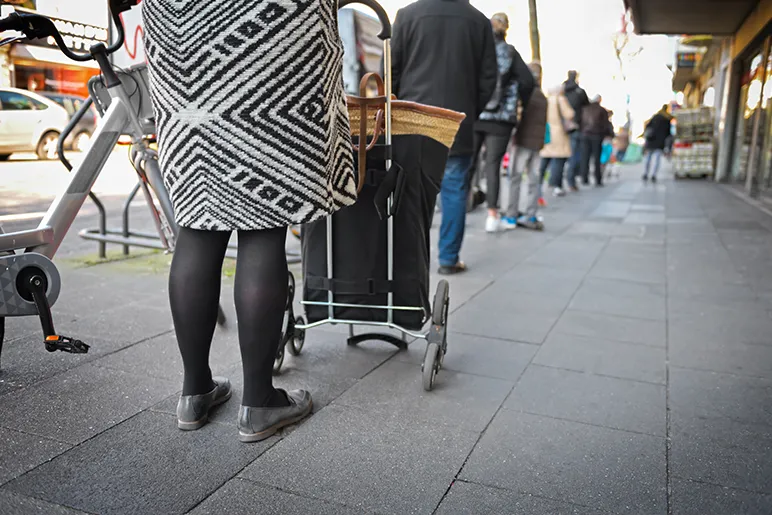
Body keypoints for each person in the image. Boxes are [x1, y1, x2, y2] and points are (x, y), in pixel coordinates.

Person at [143, 0, 357, 441]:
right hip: (270, 42)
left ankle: (194, 391)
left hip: (183, 47)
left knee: (198, 223)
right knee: (264, 221)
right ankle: (259, 401)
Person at [391, 0, 497, 274]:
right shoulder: (478, 21)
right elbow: (488, 79)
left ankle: (411, 262)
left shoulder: (408, 15)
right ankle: (448, 259)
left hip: (414, 122)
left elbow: (390, 70)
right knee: (454, 191)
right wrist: (470, 110)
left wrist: (401, 105)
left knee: (412, 191)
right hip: (457, 122)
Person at [470, 13, 534, 233]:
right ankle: (492, 216)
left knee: (467, 162)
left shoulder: (477, 51)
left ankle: (461, 205)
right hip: (501, 119)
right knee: (493, 165)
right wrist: (518, 102)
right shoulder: (510, 52)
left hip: (477, 114)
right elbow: (528, 81)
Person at [505, 60, 546, 230]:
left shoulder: (524, 94)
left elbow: (518, 117)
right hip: (537, 143)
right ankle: (531, 214)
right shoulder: (543, 97)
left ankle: (511, 215)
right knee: (533, 180)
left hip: (522, 141)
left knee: (514, 177)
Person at [540, 84, 576, 196]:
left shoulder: (545, 100)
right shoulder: (560, 99)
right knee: (559, 160)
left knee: (545, 159)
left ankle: (538, 184)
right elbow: (569, 114)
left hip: (547, 132)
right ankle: (557, 186)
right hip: (559, 133)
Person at [579, 94, 613, 187]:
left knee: (585, 157)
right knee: (597, 158)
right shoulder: (601, 110)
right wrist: (609, 135)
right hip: (596, 136)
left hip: (585, 135)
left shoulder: (585, 109)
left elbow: (581, 121)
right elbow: (606, 124)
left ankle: (584, 178)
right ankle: (597, 179)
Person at [563, 70, 590, 185]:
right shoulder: (580, 92)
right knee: (574, 154)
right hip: (575, 126)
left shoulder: (561, 90)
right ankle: (571, 180)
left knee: (559, 154)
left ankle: (555, 181)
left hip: (561, 125)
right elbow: (586, 105)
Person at [642, 105, 673, 183]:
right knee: (657, 159)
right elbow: (668, 133)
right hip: (660, 143)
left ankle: (646, 173)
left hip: (651, 141)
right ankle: (654, 174)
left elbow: (647, 127)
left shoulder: (655, 117)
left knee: (648, 158)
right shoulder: (667, 119)